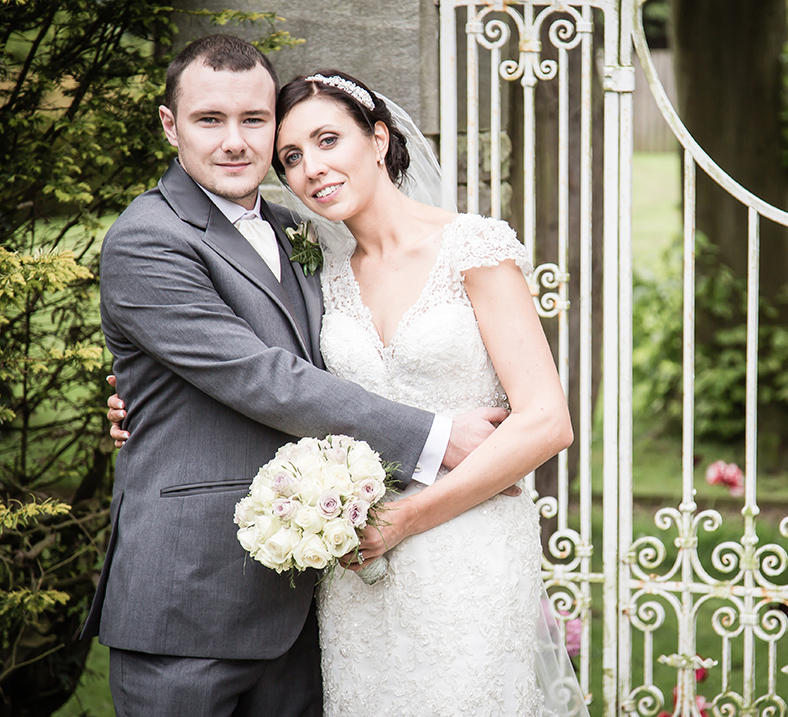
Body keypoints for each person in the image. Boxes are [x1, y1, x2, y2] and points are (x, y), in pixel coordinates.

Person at [84, 34, 506, 717]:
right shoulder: (148, 238)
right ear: (170, 125)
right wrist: (433, 436)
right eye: (208, 119)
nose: (233, 141)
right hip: (188, 600)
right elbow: (264, 377)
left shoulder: (300, 231)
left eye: (254, 121)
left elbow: (333, 356)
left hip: (306, 596)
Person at [269, 70, 582, 715]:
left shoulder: (473, 247)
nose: (311, 169)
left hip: (470, 550)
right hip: (359, 567)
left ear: (379, 138)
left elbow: (546, 421)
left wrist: (407, 517)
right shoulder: (316, 271)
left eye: (328, 140)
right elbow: (273, 380)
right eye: (292, 158)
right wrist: (143, 408)